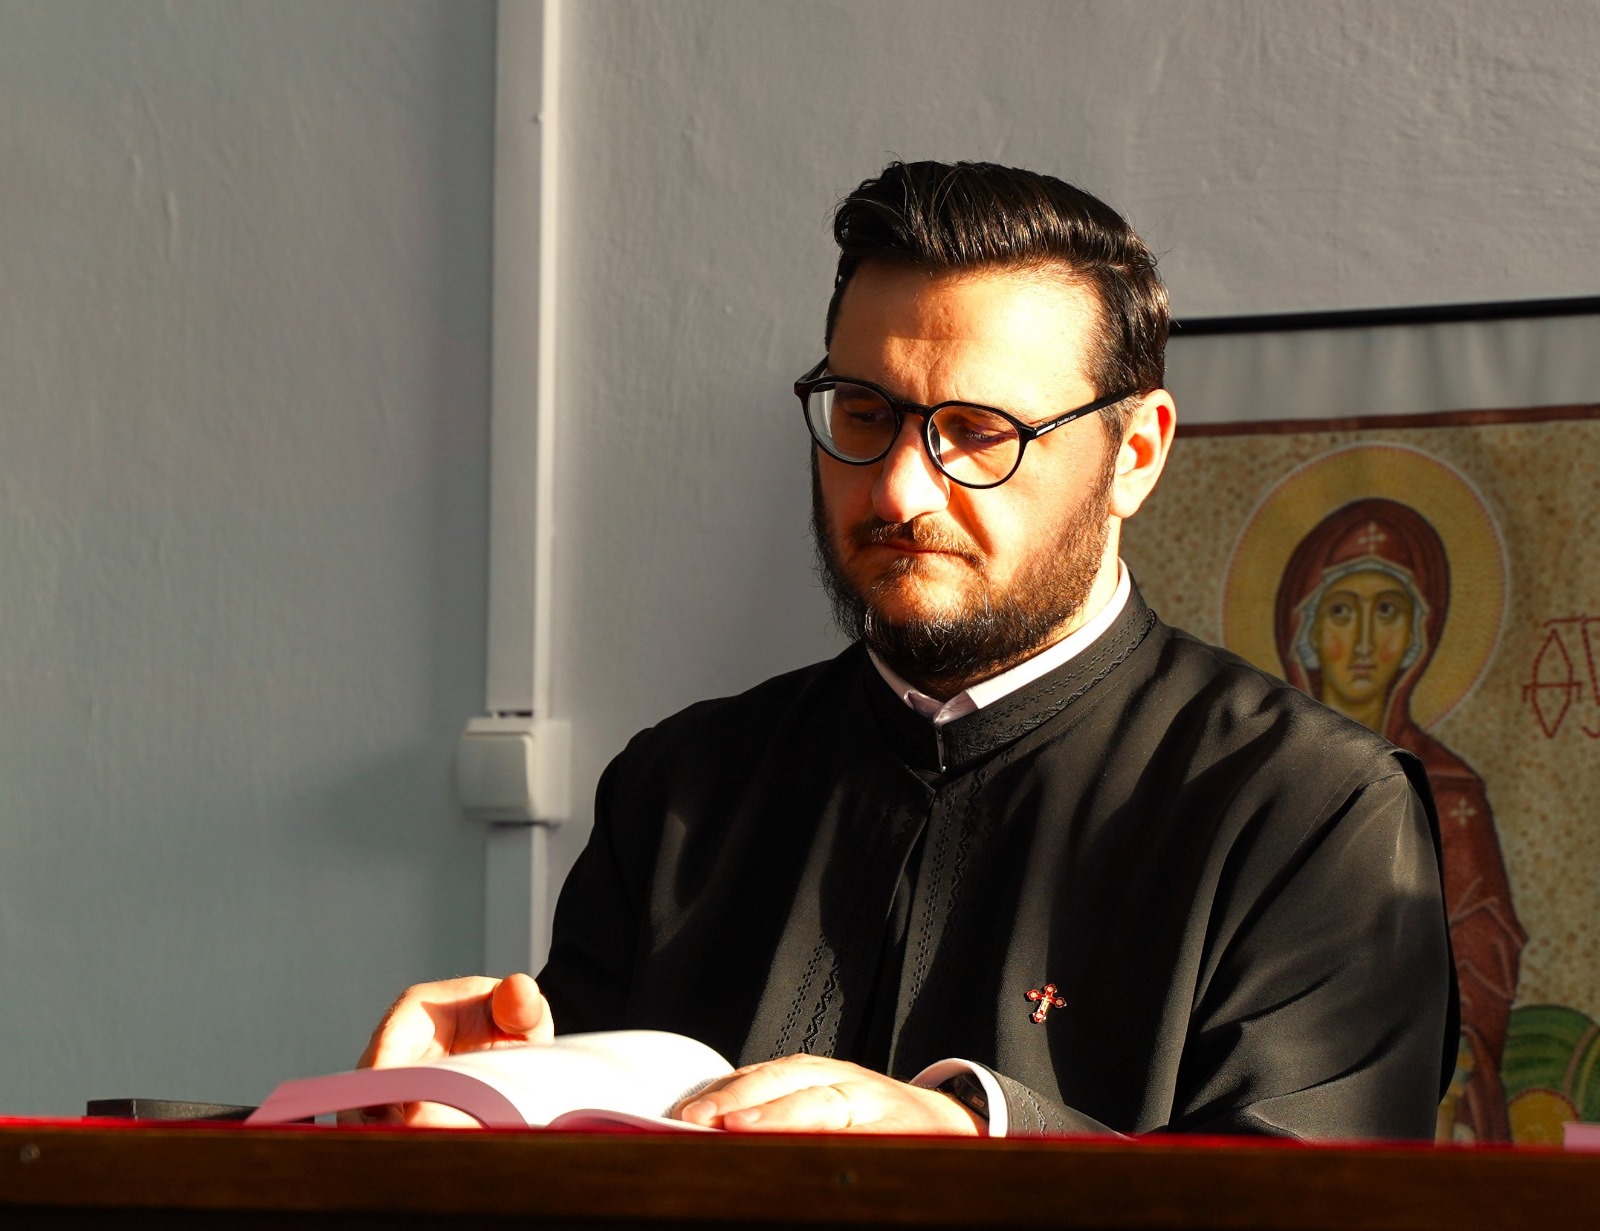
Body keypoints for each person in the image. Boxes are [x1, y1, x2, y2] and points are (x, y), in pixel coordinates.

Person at [360, 160, 1457, 1139]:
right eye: (863, 412)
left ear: (1134, 455)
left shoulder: (1310, 810)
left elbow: (1317, 1214)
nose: (897, 488)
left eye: (977, 431)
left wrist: (976, 1140)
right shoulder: (680, 785)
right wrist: (470, 1121)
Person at [1274, 497, 1523, 1142]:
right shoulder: (1255, 777)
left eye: (1386, 611)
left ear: (1418, 634)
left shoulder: (1452, 791)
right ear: (1305, 629)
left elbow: (1486, 955)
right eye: (1342, 611)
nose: (1363, 642)